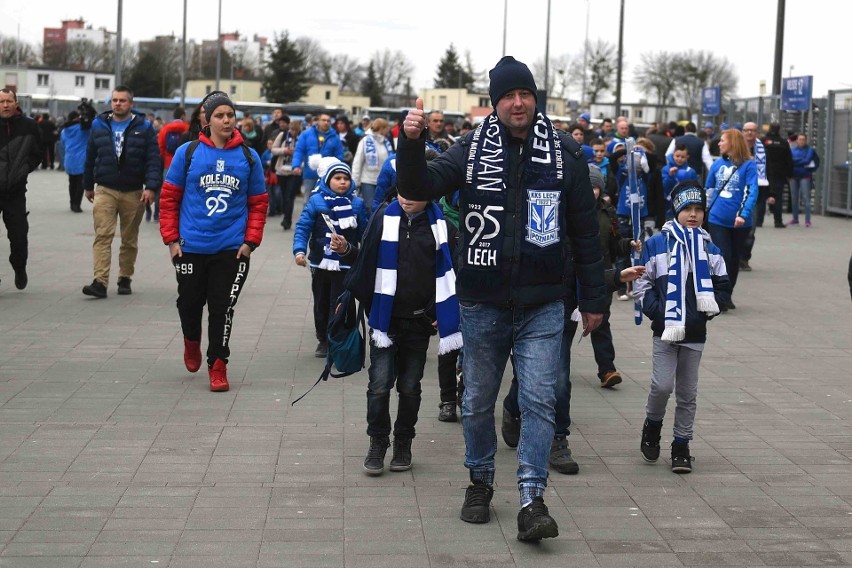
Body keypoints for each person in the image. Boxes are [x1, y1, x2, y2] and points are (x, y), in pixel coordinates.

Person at [396, 56, 606, 542]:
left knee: (539, 400)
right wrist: (410, 144)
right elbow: (418, 187)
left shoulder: (566, 155)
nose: (518, 103)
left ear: (536, 99)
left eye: (526, 95)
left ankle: (532, 499)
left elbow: (586, 235)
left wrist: (594, 298)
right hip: (482, 301)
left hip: (544, 303)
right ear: (495, 104)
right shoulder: (470, 151)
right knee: (476, 402)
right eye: (509, 96)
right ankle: (480, 481)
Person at [337, 191, 461, 476]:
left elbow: (454, 271)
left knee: (409, 387)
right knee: (379, 385)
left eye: (414, 192)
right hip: (384, 321)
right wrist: (346, 250)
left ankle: (403, 441)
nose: (407, 199)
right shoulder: (383, 217)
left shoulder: (442, 226)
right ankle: (378, 441)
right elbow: (365, 260)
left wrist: (436, 311)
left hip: (419, 322)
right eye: (403, 191)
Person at [159, 92, 268, 392]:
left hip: (231, 249)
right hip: (190, 245)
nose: (226, 120)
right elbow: (169, 199)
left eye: (230, 115)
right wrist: (171, 241)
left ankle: (218, 364)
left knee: (222, 308)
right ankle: (191, 340)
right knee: (189, 304)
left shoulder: (248, 156)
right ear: (207, 119)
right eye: (219, 115)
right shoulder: (188, 153)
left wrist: (250, 242)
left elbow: (259, 203)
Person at [633, 182, 730, 473]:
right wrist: (658, 313)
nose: (693, 214)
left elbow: (723, 289)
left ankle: (681, 444)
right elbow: (641, 283)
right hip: (664, 329)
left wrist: (707, 312)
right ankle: (652, 425)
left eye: (698, 209)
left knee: (688, 393)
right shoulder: (657, 244)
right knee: (661, 386)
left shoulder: (710, 248)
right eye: (687, 208)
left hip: (695, 332)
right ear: (676, 210)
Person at [81, 85, 161, 298]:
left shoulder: (144, 127)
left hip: (133, 191)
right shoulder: (99, 125)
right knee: (103, 235)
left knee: (129, 238)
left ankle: (125, 277)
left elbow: (153, 159)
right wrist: (88, 185)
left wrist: (151, 187)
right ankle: (100, 281)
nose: (117, 104)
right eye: (115, 100)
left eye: (122, 100)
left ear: (131, 104)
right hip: (105, 188)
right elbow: (90, 157)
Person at [293, 158, 368, 358]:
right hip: (320, 262)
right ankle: (323, 339)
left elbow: (365, 234)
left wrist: (367, 256)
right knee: (322, 302)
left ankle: (340, 339)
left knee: (342, 303)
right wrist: (299, 251)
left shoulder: (357, 204)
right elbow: (303, 227)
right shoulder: (316, 201)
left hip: (346, 264)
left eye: (345, 178)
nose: (342, 182)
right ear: (327, 180)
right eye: (337, 178)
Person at [704, 129, 758, 311]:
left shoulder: (749, 166)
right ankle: (720, 296)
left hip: (740, 222)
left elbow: (751, 191)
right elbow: (709, 190)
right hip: (717, 219)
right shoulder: (716, 164)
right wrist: (701, 212)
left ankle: (727, 295)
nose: (719, 144)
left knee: (734, 259)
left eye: (722, 141)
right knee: (723, 256)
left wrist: (743, 214)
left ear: (733, 143)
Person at [0, 88, 42, 290]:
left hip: (15, 191)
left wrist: (24, 169)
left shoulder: (29, 126)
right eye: (1, 101)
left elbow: (38, 153)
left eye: (9, 101)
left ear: (16, 103)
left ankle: (19, 266)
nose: (5, 105)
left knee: (18, 236)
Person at [291, 113, 345, 195]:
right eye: (323, 120)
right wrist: (296, 165)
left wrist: (336, 169)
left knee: (326, 201)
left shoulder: (335, 137)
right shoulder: (306, 134)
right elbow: (299, 151)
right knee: (308, 200)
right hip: (310, 174)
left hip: (327, 175)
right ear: (318, 121)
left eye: (328, 121)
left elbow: (339, 155)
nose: (326, 122)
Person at [155, 107, 190, 223]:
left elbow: (160, 146)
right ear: (183, 116)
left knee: (167, 190)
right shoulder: (187, 128)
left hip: (168, 162)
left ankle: (164, 214)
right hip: (185, 164)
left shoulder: (165, 129)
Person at [352, 118, 393, 216]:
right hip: (368, 181)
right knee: (370, 207)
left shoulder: (386, 142)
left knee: (381, 207)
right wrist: (355, 181)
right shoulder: (365, 141)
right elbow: (358, 161)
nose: (388, 130)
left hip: (383, 181)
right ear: (382, 128)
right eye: (387, 128)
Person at [270, 118, 301, 230]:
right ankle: (286, 215)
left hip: (295, 171)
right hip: (282, 170)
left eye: (296, 131)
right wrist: (284, 150)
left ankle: (287, 219)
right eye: (292, 130)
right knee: (284, 195)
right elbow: (273, 150)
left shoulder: (301, 138)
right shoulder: (283, 135)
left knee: (289, 196)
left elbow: (304, 152)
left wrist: (296, 153)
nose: (293, 133)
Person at [60, 108, 92, 214]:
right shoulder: (83, 129)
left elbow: (63, 143)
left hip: (69, 159)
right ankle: (77, 205)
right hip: (82, 159)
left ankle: (71, 202)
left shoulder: (64, 131)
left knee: (71, 182)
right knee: (80, 183)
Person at [761, 123, 793, 229]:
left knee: (761, 198)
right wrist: (789, 174)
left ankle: (758, 221)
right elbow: (788, 159)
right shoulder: (783, 143)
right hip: (779, 173)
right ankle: (778, 221)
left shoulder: (763, 141)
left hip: (764, 173)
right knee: (778, 198)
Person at [789, 133, 820, 227]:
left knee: (806, 198)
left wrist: (795, 161)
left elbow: (807, 160)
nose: (801, 141)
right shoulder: (792, 150)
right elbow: (790, 160)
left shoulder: (810, 150)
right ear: (797, 140)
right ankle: (795, 219)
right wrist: (800, 161)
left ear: (806, 141)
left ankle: (807, 220)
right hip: (793, 176)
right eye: (800, 139)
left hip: (805, 176)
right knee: (794, 198)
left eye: (803, 139)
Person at [662, 144, 699, 220]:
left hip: (685, 204)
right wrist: (670, 176)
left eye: (683, 157)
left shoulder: (691, 171)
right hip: (668, 204)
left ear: (687, 157)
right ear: (673, 155)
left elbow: (695, 189)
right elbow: (663, 187)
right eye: (677, 156)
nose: (679, 159)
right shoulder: (666, 169)